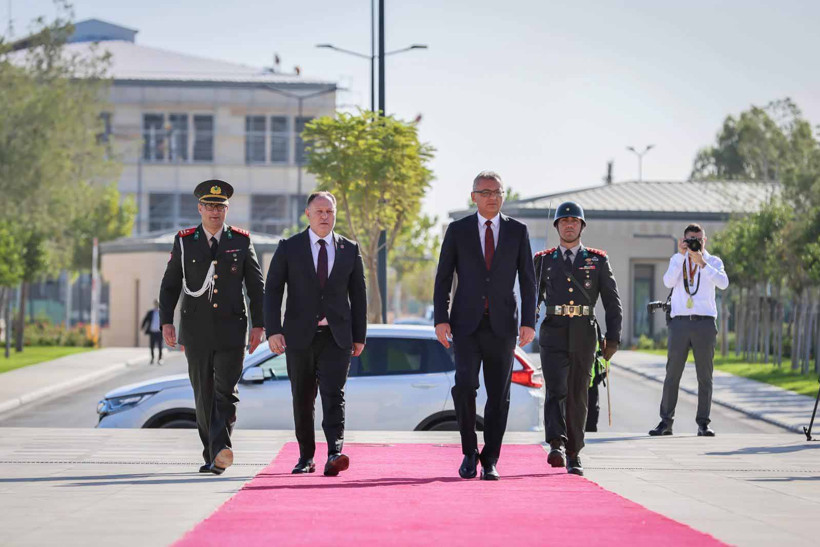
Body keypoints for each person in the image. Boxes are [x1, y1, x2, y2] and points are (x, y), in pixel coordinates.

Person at [433, 170, 536, 481]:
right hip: (465, 324)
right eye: (486, 192)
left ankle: (490, 458)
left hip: (503, 326)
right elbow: (443, 277)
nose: (492, 197)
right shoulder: (458, 230)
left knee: (499, 395)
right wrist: (441, 317)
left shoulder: (517, 231)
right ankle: (468, 452)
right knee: (465, 386)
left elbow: (528, 281)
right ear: (473, 196)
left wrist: (529, 322)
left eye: (497, 192)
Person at [159, 179, 265, 475]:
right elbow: (169, 285)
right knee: (203, 394)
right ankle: (214, 453)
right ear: (200, 208)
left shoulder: (241, 241)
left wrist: (260, 325)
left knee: (226, 392)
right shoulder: (184, 240)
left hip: (232, 328)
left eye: (220, 206)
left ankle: (219, 450)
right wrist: (166, 321)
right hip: (196, 329)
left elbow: (256, 287)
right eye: (209, 206)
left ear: (227, 209)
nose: (215, 212)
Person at [264, 191, 367, 477]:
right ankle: (305, 457)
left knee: (334, 395)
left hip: (337, 337)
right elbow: (272, 290)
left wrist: (360, 336)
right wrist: (273, 330)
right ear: (307, 214)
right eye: (319, 211)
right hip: (299, 337)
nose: (325, 216)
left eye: (330, 212)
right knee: (303, 397)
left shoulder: (349, 248)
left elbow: (359, 296)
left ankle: (335, 452)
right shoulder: (289, 247)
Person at [535, 201, 621, 476]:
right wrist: (523, 325)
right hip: (553, 331)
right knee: (556, 389)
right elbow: (531, 299)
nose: (569, 225)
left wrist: (613, 338)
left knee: (578, 394)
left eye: (574, 221)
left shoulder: (597, 260)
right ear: (557, 226)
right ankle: (556, 444)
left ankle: (574, 453)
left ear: (582, 226)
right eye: (563, 221)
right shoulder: (544, 260)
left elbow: (612, 301)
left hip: (584, 332)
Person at [649, 224, 729, 437]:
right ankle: (666, 422)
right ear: (684, 240)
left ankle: (703, 423)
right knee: (672, 374)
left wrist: (702, 263)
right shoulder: (677, 259)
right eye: (691, 239)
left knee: (705, 376)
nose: (695, 242)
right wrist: (681, 256)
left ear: (705, 241)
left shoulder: (713, 261)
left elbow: (723, 283)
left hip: (704, 323)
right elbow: (667, 281)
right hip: (680, 323)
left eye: (699, 239)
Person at [141, 299, 163, 364]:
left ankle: (160, 358)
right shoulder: (151, 312)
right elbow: (145, 320)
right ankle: (152, 358)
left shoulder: (162, 312)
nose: (157, 304)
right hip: (152, 332)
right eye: (155, 303)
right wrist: (142, 327)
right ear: (154, 304)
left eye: (158, 303)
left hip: (159, 332)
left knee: (160, 346)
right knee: (152, 346)